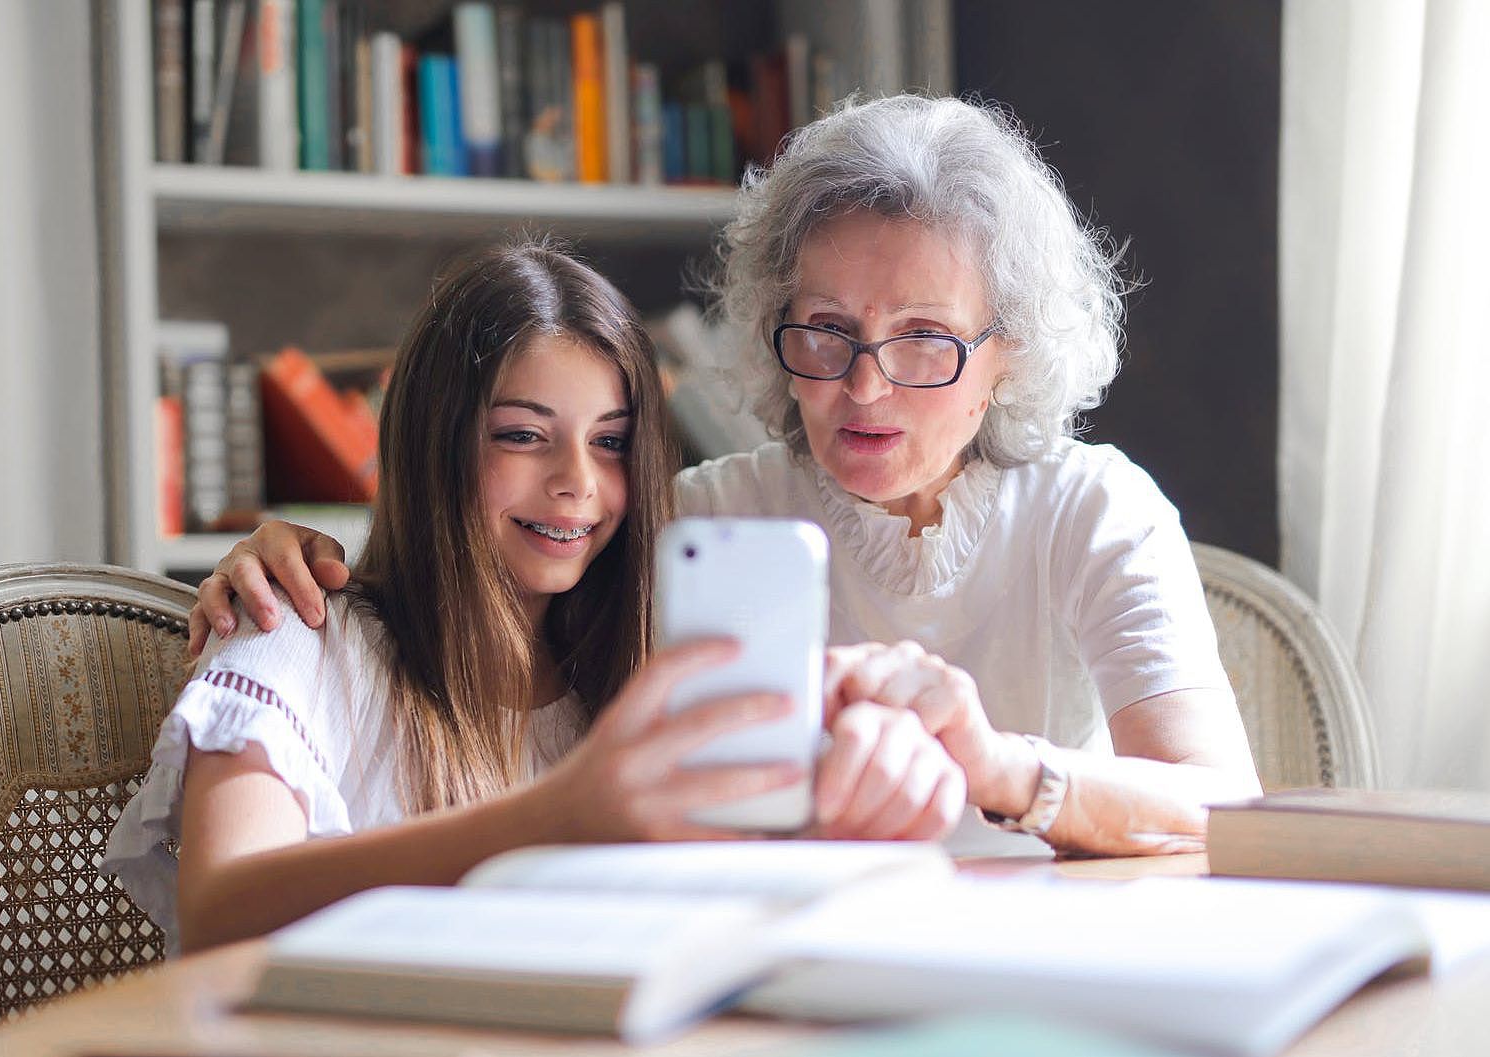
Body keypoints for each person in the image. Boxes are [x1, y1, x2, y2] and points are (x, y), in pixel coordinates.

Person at [188, 96, 1265, 859]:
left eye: (925, 340)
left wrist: (997, 767)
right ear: (769, 325)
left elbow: (1221, 806)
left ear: (1009, 353)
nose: (864, 388)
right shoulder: (695, 522)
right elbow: (479, 601)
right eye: (826, 332)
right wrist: (290, 557)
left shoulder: (1094, 507)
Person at [102, 243, 966, 955]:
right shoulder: (297, 631)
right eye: (522, 436)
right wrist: (555, 817)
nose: (576, 486)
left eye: (612, 443)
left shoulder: (633, 673)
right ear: (434, 443)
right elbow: (219, 909)